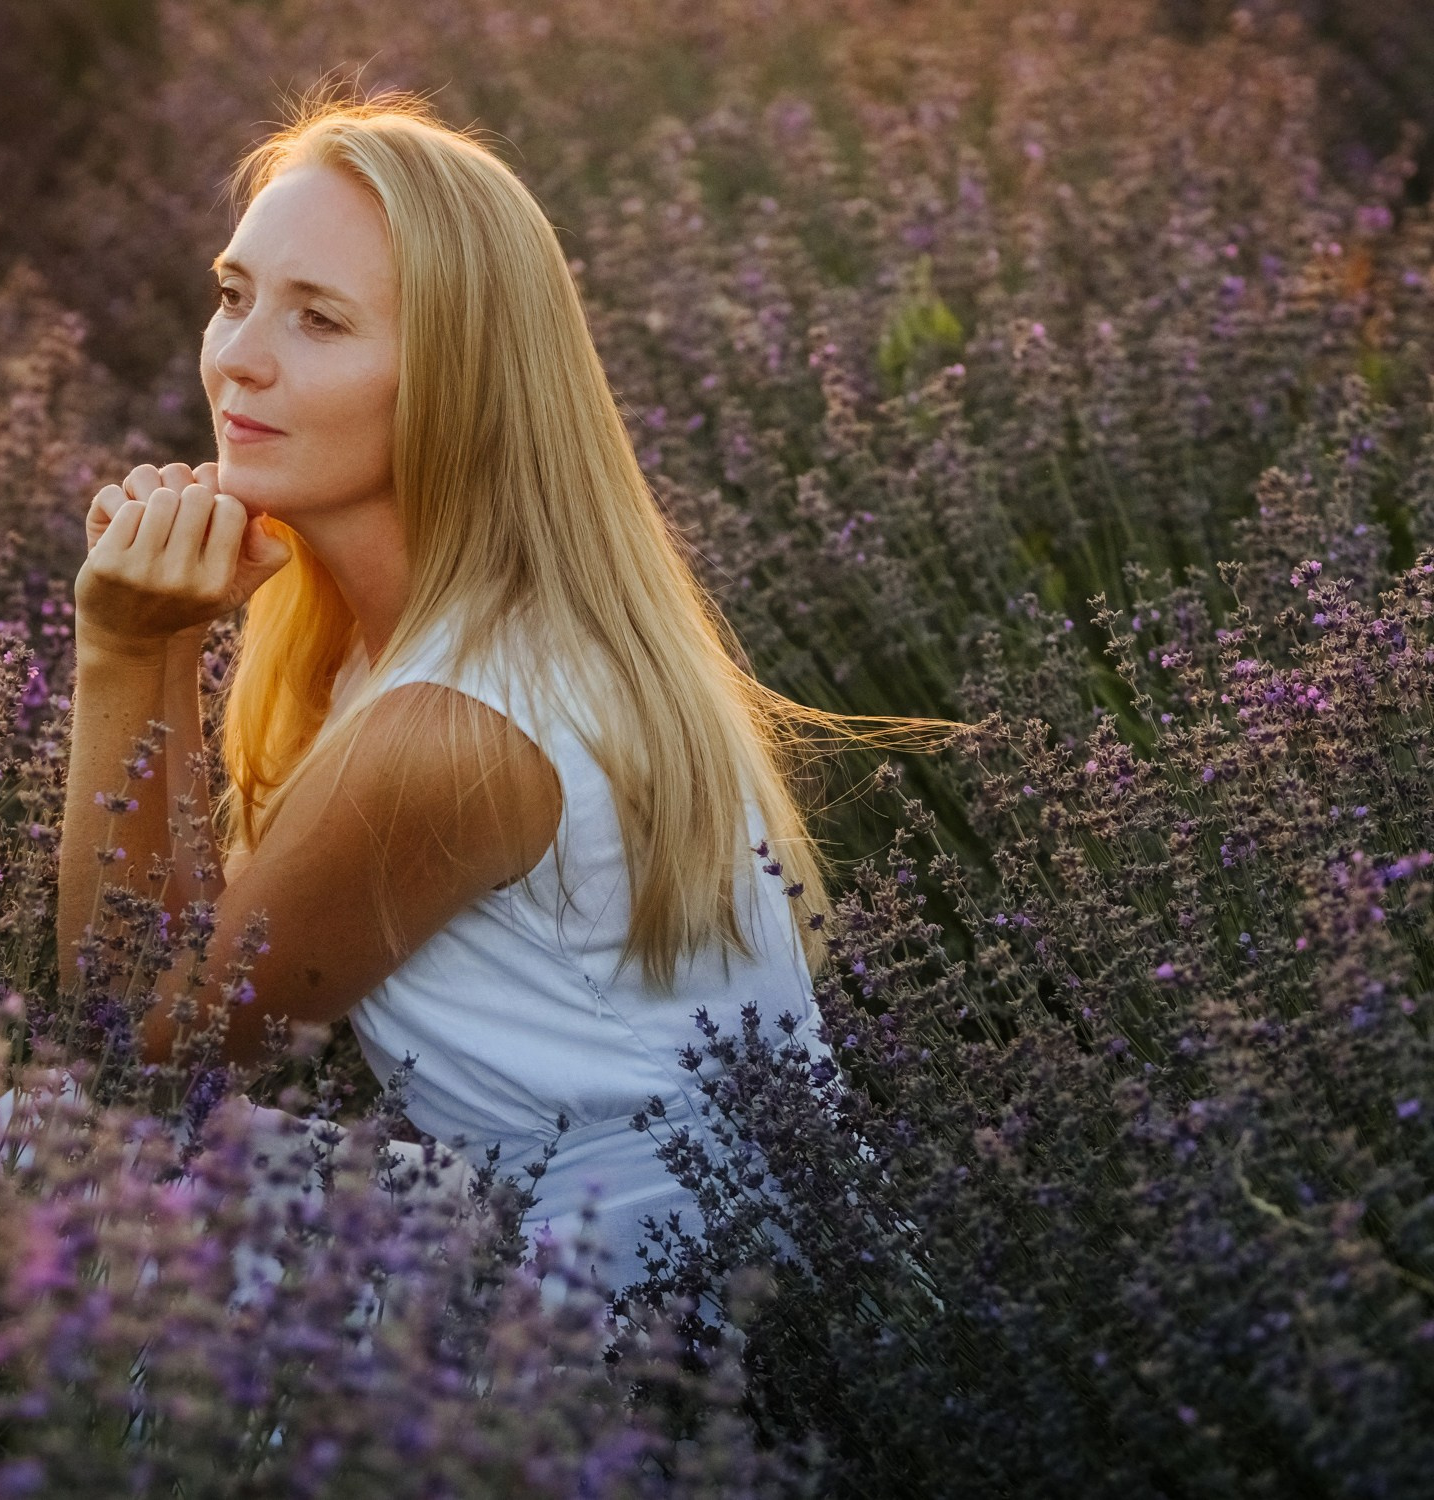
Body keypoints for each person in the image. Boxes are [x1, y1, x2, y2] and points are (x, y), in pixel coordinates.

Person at [56, 91, 956, 1303]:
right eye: (232, 294)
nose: (237, 357)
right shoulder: (472, 638)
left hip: (655, 1315)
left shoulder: (453, 727)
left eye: (318, 320)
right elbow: (171, 998)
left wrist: (125, 652)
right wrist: (160, 643)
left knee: (43, 1168)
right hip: (629, 1236)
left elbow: (144, 1054)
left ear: (453, 381)